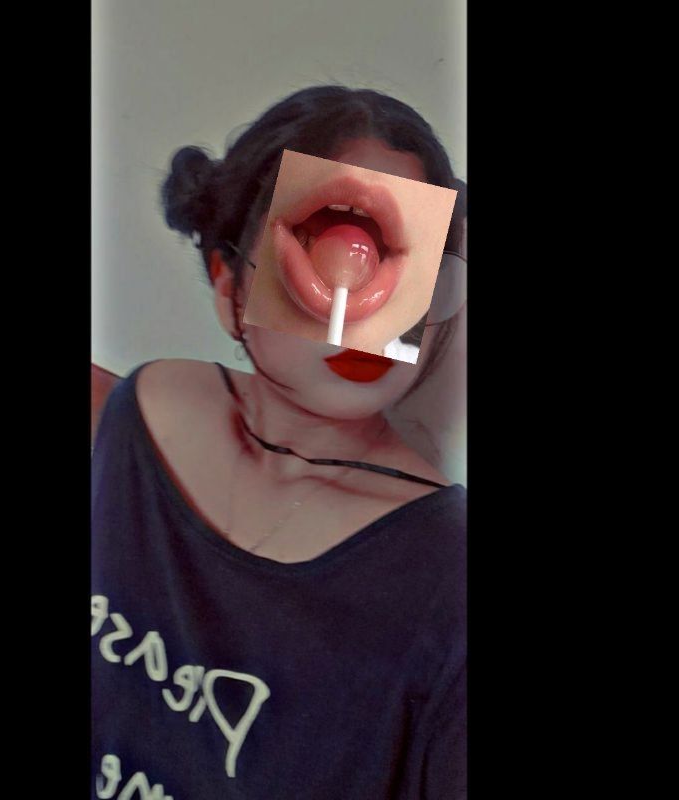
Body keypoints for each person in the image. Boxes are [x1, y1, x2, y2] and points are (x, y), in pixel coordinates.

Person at [91, 85, 467, 799]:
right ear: (227, 283)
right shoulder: (145, 410)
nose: (368, 315)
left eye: (410, 270)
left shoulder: (446, 571)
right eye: (329, 252)